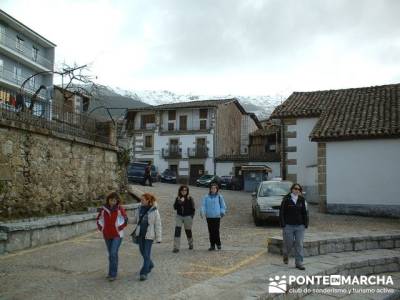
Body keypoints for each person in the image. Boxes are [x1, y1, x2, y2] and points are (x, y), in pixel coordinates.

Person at [96, 192, 128, 281]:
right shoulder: (103, 209)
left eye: (114, 200)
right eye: (111, 200)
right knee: (111, 254)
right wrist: (101, 228)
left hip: (117, 235)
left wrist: (119, 228)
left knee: (113, 253)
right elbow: (99, 219)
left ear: (117, 201)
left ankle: (113, 274)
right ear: (108, 200)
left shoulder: (119, 209)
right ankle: (111, 272)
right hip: (107, 234)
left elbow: (125, 220)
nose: (112, 202)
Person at [132, 192, 162, 281]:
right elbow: (135, 220)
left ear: (148, 200)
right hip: (140, 235)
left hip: (149, 236)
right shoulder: (139, 209)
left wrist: (159, 238)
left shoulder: (154, 210)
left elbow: (158, 224)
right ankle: (150, 264)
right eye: (141, 199)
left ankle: (143, 273)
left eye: (142, 200)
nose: (141, 201)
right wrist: (126, 219)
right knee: (142, 252)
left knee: (146, 253)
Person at [279, 183, 309, 270]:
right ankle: (285, 254)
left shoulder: (301, 199)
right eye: (295, 189)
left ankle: (299, 263)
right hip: (288, 226)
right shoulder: (286, 199)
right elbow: (282, 213)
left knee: (299, 243)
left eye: (299, 189)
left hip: (300, 226)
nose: (297, 190)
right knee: (289, 243)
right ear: (292, 189)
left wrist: (305, 223)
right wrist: (283, 224)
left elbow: (304, 212)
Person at [200, 182, 227, 251]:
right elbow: (203, 205)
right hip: (209, 217)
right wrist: (202, 212)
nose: (213, 189)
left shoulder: (219, 197)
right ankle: (212, 245)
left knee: (216, 231)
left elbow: (223, 206)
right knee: (211, 231)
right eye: (212, 188)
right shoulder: (206, 197)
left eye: (215, 188)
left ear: (217, 189)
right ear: (210, 189)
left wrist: (222, 212)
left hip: (217, 216)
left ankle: (218, 244)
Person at [173, 185, 195, 253]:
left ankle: (191, 244)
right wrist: (179, 202)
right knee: (177, 231)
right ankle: (176, 247)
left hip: (188, 216)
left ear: (187, 191)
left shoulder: (190, 198)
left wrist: (191, 216)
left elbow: (193, 208)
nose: (184, 191)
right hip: (179, 216)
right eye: (182, 190)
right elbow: (175, 207)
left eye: (185, 190)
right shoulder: (178, 198)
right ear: (180, 191)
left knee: (188, 231)